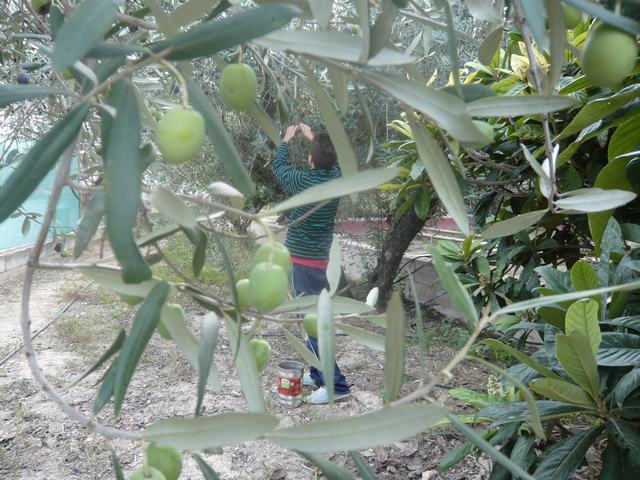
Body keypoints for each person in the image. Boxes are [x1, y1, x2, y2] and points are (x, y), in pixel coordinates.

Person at [271, 123, 350, 405]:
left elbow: (278, 167)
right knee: (312, 318)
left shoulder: (301, 182)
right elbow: (332, 162)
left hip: (302, 264)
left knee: (312, 322)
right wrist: (314, 139)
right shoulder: (336, 180)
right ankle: (317, 374)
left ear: (310, 159)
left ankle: (335, 385)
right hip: (318, 261)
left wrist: (286, 140)